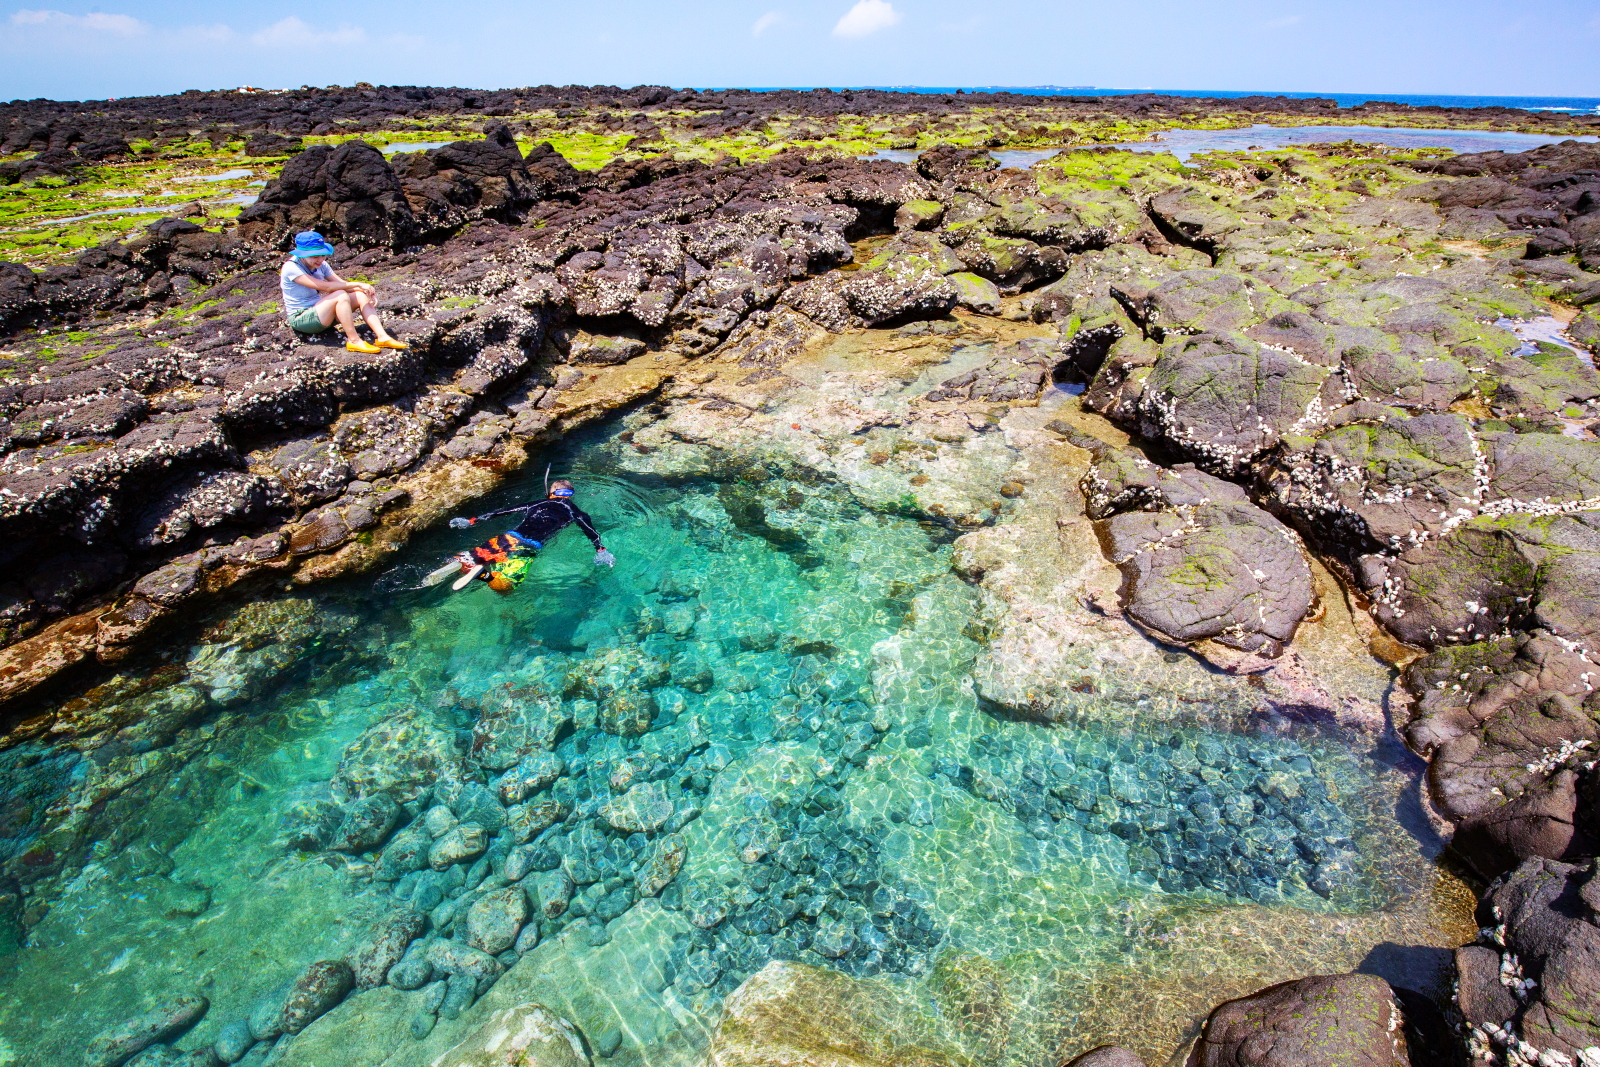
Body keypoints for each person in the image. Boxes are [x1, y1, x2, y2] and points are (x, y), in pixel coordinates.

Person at [448, 479, 615, 592]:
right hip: (527, 547)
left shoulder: (539, 502)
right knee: (505, 588)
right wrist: (602, 551)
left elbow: (503, 511)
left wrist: (471, 521)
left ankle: (460, 561)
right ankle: (483, 575)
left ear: (552, 492)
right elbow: (591, 533)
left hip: (508, 538)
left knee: (468, 558)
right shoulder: (576, 512)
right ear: (570, 495)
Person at [280, 230, 408, 354]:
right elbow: (327, 287)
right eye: (315, 256)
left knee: (360, 296)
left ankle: (382, 337)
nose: (320, 259)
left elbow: (342, 284)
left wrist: (364, 290)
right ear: (302, 254)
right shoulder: (291, 267)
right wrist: (358, 283)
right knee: (340, 295)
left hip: (321, 313)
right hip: (302, 319)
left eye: (323, 255)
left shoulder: (321, 265)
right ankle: (354, 340)